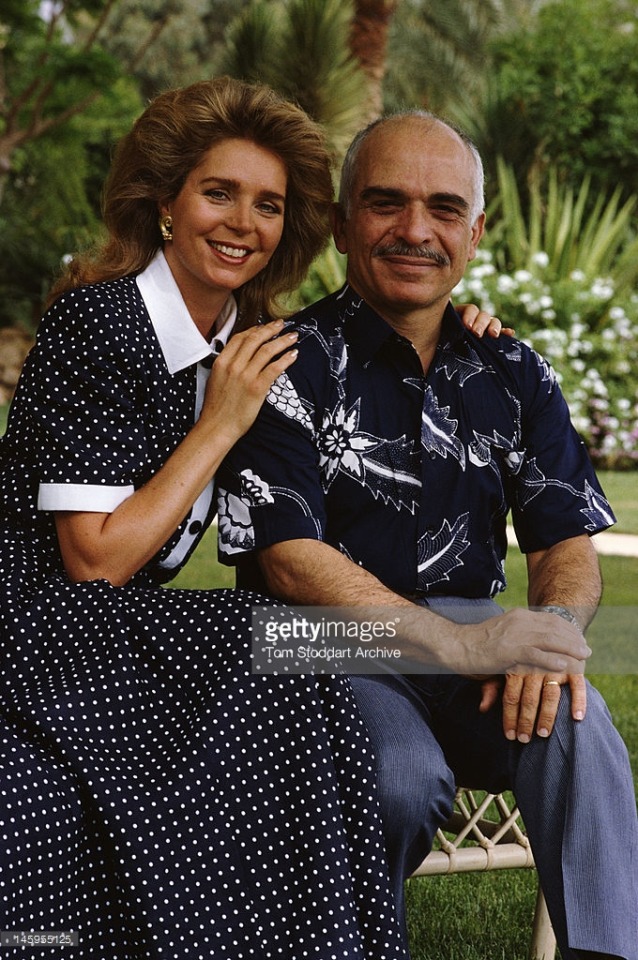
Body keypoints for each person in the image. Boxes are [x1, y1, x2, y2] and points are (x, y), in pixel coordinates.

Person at [0, 79, 502, 958]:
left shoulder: (250, 337)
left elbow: (375, 348)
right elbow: (93, 562)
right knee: (263, 640)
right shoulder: (100, 322)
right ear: (166, 203)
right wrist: (221, 422)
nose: (243, 223)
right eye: (218, 192)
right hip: (37, 621)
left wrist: (453, 328)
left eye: (268, 204)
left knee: (294, 673)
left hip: (113, 634)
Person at [217, 110, 638, 960]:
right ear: (341, 223)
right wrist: (462, 645)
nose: (417, 230)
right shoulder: (281, 362)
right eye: (385, 204)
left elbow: (564, 543)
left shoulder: (516, 372)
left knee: (574, 718)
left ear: (475, 233)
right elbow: (291, 563)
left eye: (444, 209)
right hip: (319, 646)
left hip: (467, 639)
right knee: (399, 780)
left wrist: (551, 634)